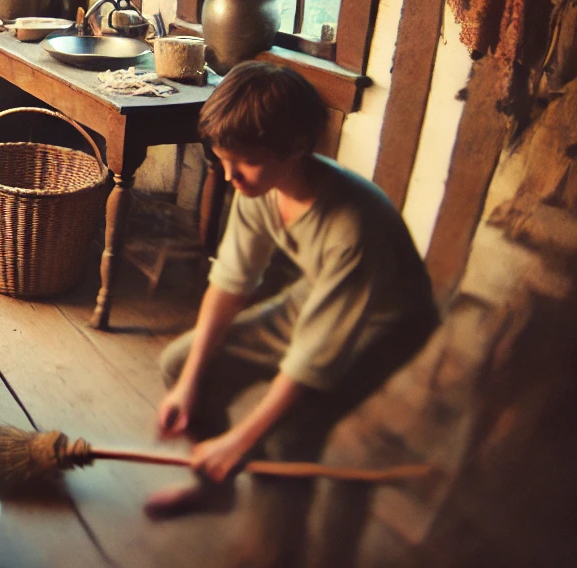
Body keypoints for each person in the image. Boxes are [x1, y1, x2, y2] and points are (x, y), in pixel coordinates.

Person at [148, 62, 438, 567]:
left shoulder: (354, 225)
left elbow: (312, 360)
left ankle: (271, 551)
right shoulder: (259, 186)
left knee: (289, 431)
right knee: (181, 362)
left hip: (389, 321)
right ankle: (215, 488)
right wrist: (190, 382)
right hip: (321, 294)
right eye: (222, 161)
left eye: (245, 162)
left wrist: (242, 438)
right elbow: (230, 282)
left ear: (297, 148)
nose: (232, 176)